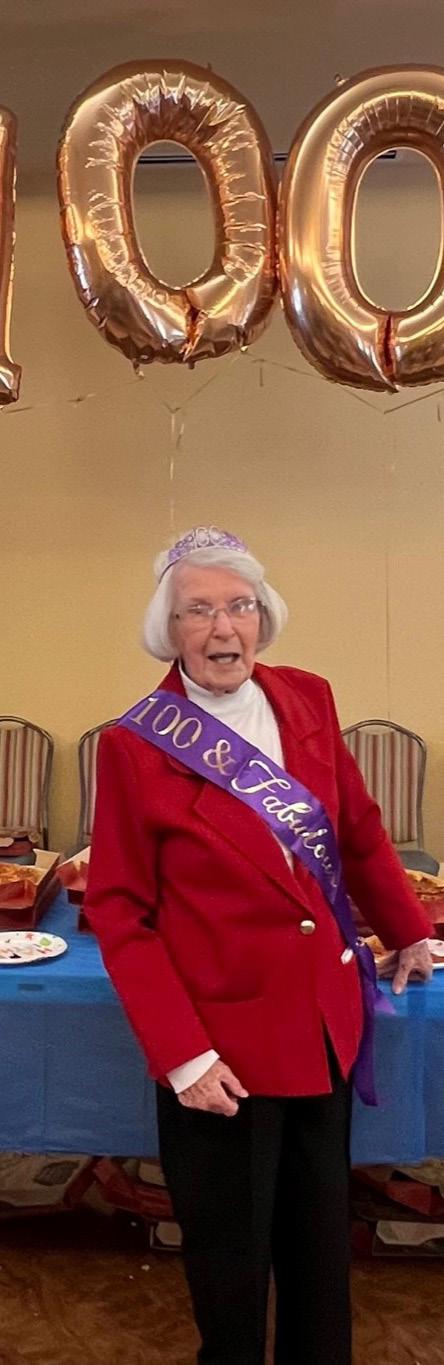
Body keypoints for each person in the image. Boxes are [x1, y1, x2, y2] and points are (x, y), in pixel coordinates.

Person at [84, 526, 433, 1365]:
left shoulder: (307, 696)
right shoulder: (135, 745)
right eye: (197, 610)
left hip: (323, 1028)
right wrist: (184, 1056)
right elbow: (121, 913)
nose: (223, 628)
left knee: (321, 1258)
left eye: (239, 605)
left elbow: (355, 827)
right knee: (231, 1273)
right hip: (223, 1057)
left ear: (263, 616)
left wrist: (409, 927)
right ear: (168, 629)